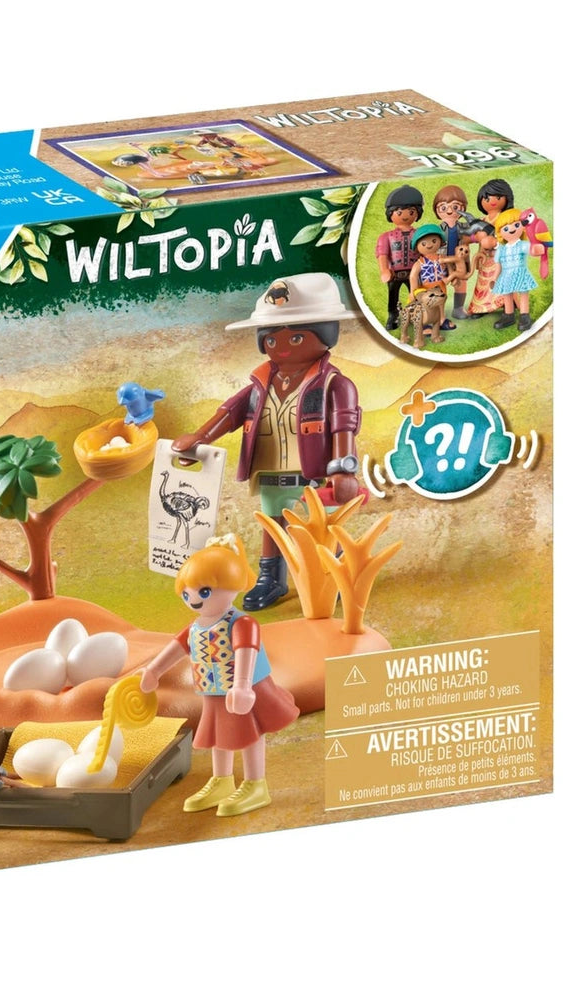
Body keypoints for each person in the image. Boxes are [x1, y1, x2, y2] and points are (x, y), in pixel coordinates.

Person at [172, 272, 362, 610]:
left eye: (297, 338)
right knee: (273, 525)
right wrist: (200, 439)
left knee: (324, 527)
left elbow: (343, 427)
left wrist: (343, 470)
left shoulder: (335, 384)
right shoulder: (260, 385)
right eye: (272, 339)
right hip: (271, 471)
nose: (282, 347)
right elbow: (230, 413)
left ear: (325, 334)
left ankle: (332, 573)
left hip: (318, 476)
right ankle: (271, 578)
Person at [139, 536, 298, 817]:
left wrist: (243, 686)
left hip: (245, 690)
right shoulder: (196, 627)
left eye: (204, 591)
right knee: (218, 735)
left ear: (232, 584)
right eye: (187, 594)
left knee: (250, 732)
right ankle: (222, 780)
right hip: (213, 692)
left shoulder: (241, 623)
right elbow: (178, 647)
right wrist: (154, 670)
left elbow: (246, 650)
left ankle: (256, 784)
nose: (194, 600)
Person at [376, 184, 424, 329]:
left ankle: (417, 315)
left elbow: (425, 250)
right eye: (399, 212)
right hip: (394, 273)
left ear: (417, 214)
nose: (405, 215)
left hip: (415, 272)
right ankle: (393, 316)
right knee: (393, 295)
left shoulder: (419, 234)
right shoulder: (386, 236)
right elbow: (382, 254)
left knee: (416, 293)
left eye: (411, 212)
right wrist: (384, 270)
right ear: (390, 214)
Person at [467, 178, 514, 316]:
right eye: (487, 198)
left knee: (500, 279)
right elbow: (474, 236)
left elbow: (510, 235)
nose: (492, 201)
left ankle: (506, 304)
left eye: (498, 197)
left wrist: (494, 241)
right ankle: (481, 307)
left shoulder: (505, 218)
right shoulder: (482, 220)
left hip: (501, 257)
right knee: (483, 282)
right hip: (484, 258)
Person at [491, 208, 542, 332]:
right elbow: (498, 265)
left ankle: (524, 316)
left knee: (523, 293)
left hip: (520, 272)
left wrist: (537, 249)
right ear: (500, 233)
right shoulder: (501, 249)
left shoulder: (522, 245)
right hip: (506, 275)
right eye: (506, 228)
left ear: (523, 227)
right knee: (507, 294)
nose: (511, 229)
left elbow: (532, 250)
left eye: (516, 225)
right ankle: (509, 315)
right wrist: (494, 278)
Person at [432, 185, 471, 320]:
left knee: (461, 284)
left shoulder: (465, 227)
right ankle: (437, 310)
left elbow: (476, 232)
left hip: (460, 262)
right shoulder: (437, 230)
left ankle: (458, 308)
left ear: (463, 208)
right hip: (442, 262)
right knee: (439, 285)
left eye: (455, 207)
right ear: (437, 211)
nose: (449, 211)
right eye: (443, 207)